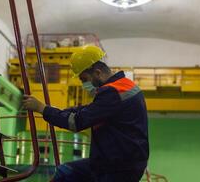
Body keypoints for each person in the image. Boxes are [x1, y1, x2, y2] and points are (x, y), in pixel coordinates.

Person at [22, 45, 149, 182]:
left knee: (66, 175)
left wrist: (42, 108)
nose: (84, 84)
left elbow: (76, 122)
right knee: (65, 173)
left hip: (118, 167)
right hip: (119, 162)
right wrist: (55, 110)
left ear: (98, 73)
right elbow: (90, 109)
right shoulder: (124, 85)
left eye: (84, 79)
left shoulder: (111, 92)